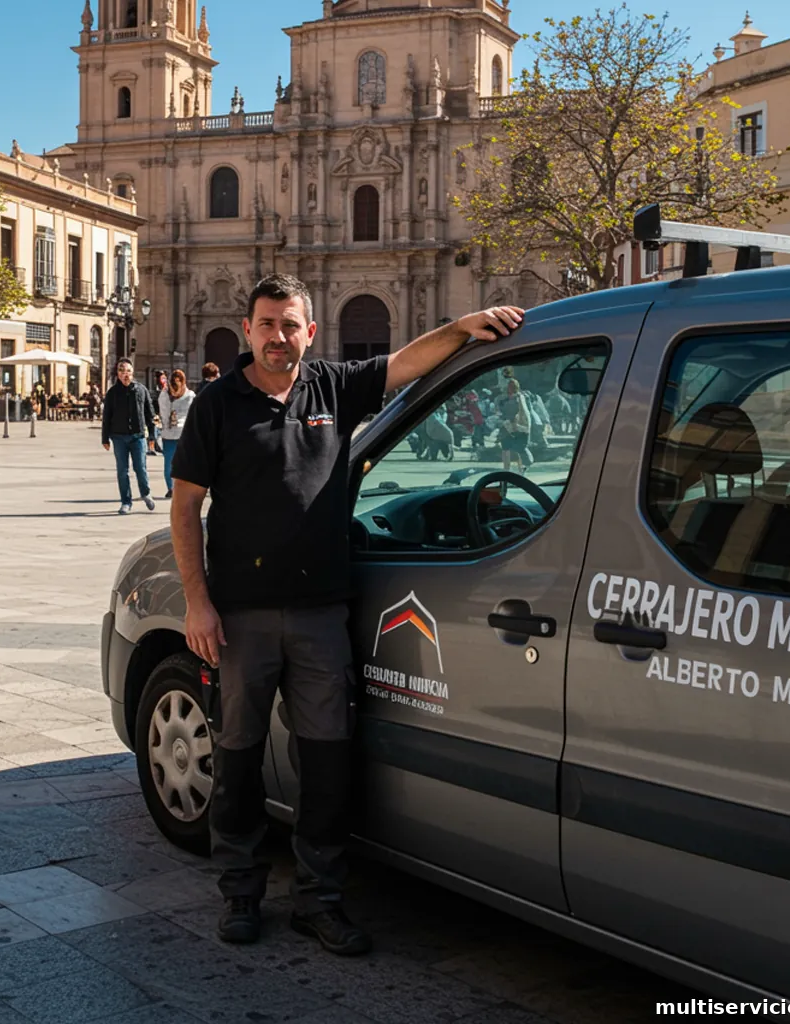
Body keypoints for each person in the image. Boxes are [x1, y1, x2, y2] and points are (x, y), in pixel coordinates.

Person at [170, 272, 522, 954]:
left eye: (290, 325)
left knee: (327, 760)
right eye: (267, 324)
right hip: (240, 617)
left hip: (320, 615)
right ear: (248, 330)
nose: (279, 336)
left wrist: (462, 326)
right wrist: (197, 603)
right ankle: (241, 892)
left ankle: (319, 898)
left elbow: (403, 366)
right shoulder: (217, 404)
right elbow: (186, 509)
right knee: (238, 756)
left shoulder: (331, 386)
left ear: (311, 330)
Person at [101, 358, 158, 514]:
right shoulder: (112, 393)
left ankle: (145, 493)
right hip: (118, 437)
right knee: (122, 470)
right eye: (122, 371)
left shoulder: (141, 390)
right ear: (118, 374)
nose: (125, 374)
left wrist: (152, 435)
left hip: (138, 436)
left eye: (128, 371)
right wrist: (105, 438)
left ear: (132, 373)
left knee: (140, 468)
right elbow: (107, 416)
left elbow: (150, 413)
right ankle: (126, 502)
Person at [157, 369, 195, 499]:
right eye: (172, 390)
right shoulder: (164, 396)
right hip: (168, 434)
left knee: (186, 463)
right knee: (169, 463)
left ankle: (184, 488)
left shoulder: (190, 396)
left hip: (184, 435)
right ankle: (171, 488)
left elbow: (193, 416)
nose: (175, 393)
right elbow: (164, 414)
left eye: (177, 390)